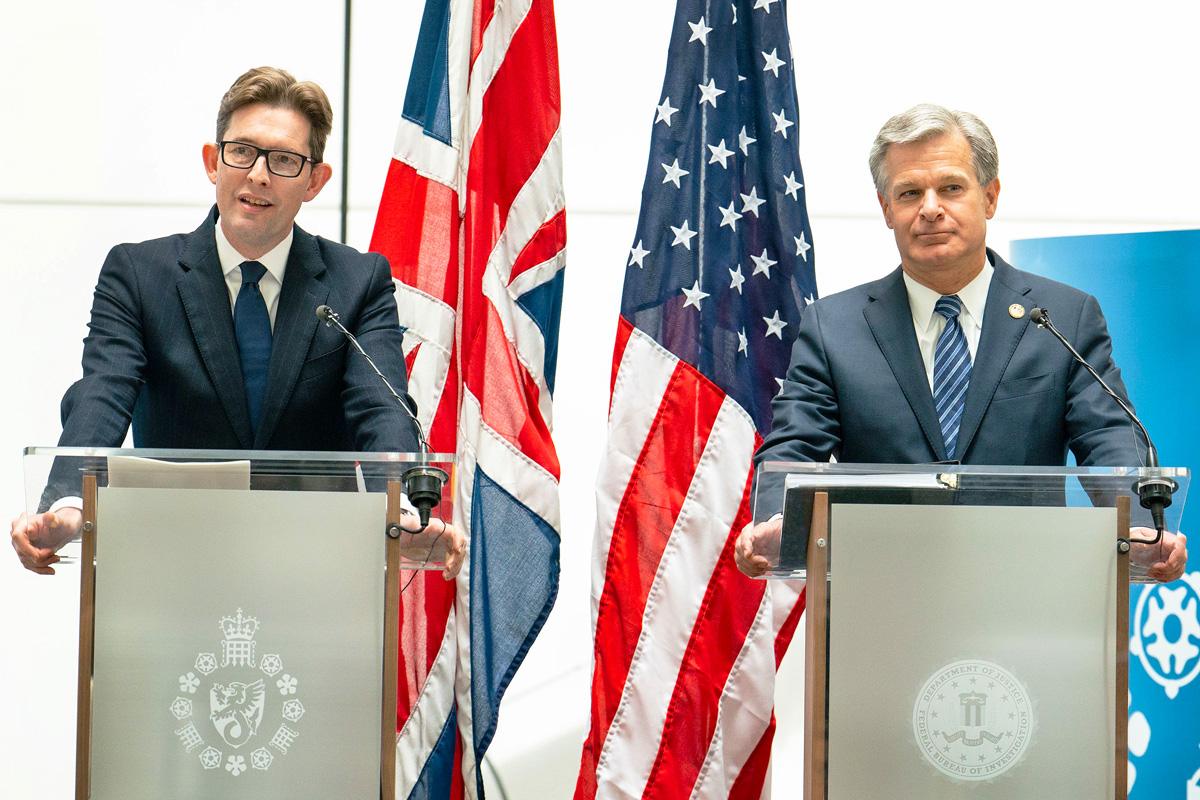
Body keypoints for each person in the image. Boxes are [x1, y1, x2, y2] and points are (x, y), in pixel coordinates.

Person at [10, 66, 463, 577]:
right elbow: (104, 392)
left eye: (285, 160)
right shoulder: (139, 275)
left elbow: (381, 408)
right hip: (170, 565)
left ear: (315, 180)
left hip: (315, 570)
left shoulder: (357, 282)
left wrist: (402, 510)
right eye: (242, 152)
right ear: (212, 161)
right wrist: (69, 501)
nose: (258, 175)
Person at [734, 103, 1186, 582]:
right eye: (909, 192)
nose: (931, 208)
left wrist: (1140, 526)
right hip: (879, 590)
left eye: (951, 187)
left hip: (1030, 588)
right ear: (888, 209)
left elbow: (1108, 435)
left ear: (989, 197)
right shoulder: (834, 326)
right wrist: (777, 521)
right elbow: (795, 443)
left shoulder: (1062, 317)